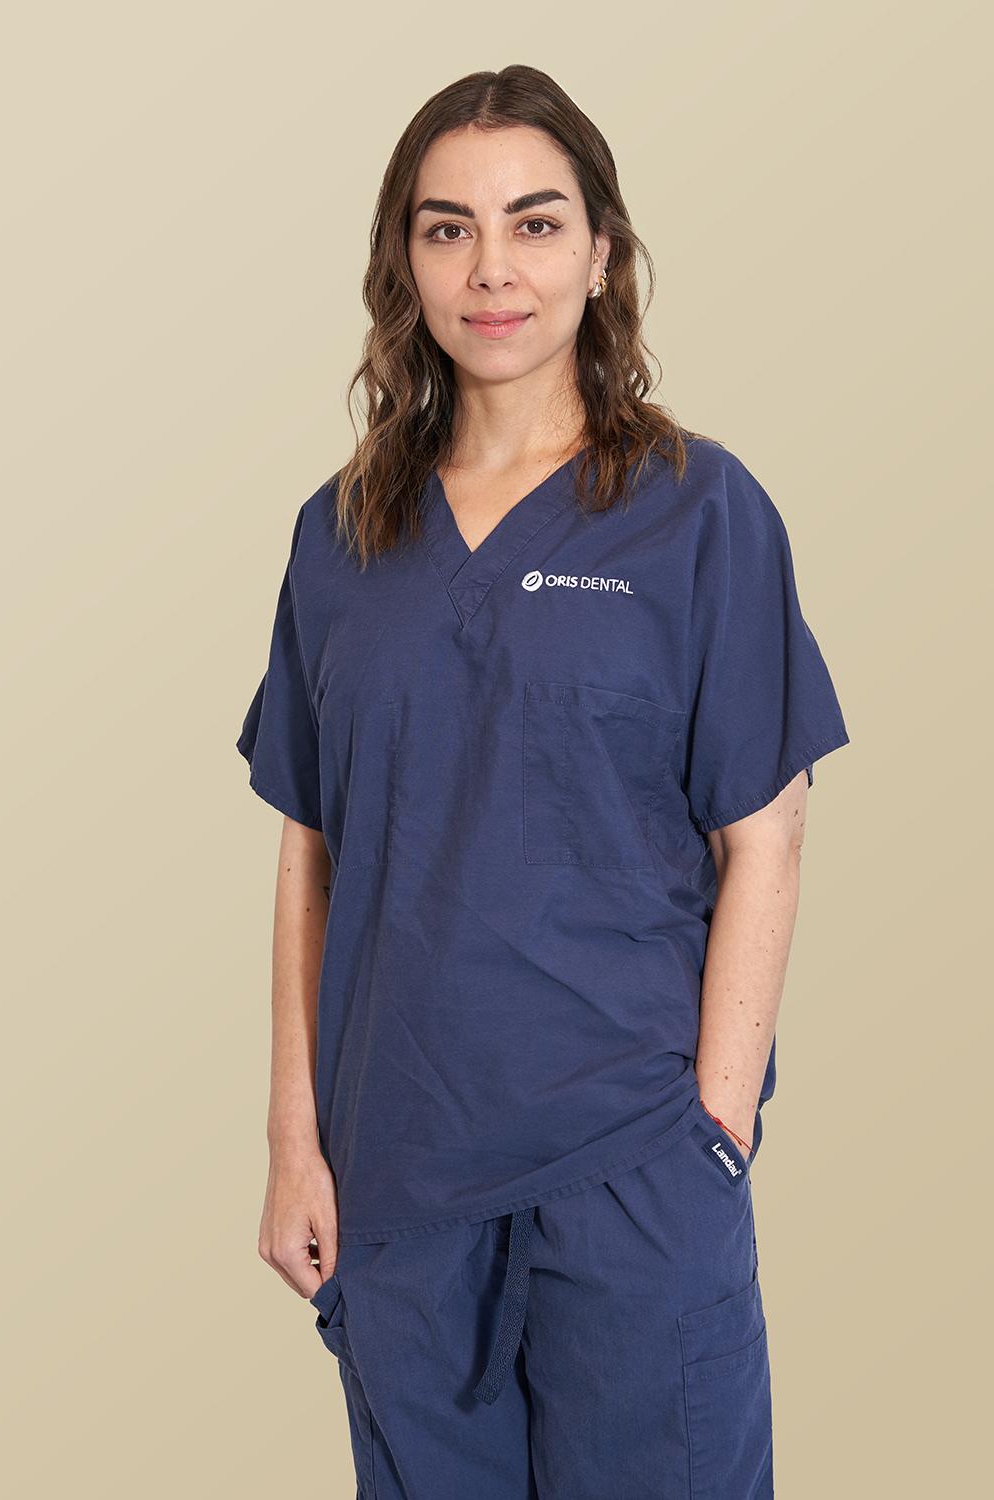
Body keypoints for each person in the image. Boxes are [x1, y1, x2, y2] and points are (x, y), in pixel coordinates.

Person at [235, 63, 851, 1500]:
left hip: (631, 1169)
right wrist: (292, 1141)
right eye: (447, 228)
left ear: (601, 253)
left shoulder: (698, 512)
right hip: (399, 1178)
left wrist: (715, 1127)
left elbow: (765, 833)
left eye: (534, 222)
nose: (491, 270)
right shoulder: (342, 538)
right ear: (404, 264)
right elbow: (311, 848)